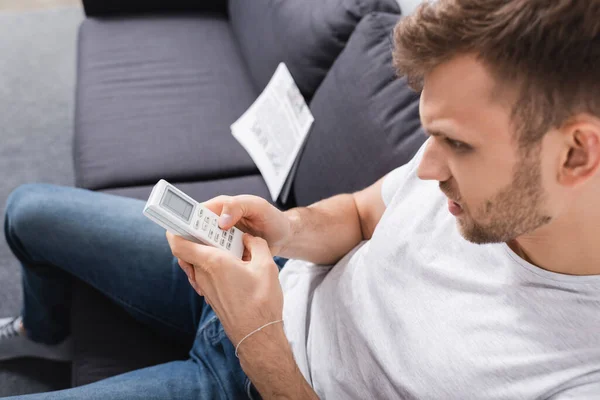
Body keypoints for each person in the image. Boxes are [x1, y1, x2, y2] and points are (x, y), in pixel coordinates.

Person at [1, 0, 600, 398]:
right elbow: (366, 213)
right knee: (26, 211)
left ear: (576, 153)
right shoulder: (471, 167)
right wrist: (284, 228)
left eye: (458, 145)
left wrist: (257, 334)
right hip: (272, 280)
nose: (425, 168)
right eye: (429, 133)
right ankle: (48, 335)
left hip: (260, 379)